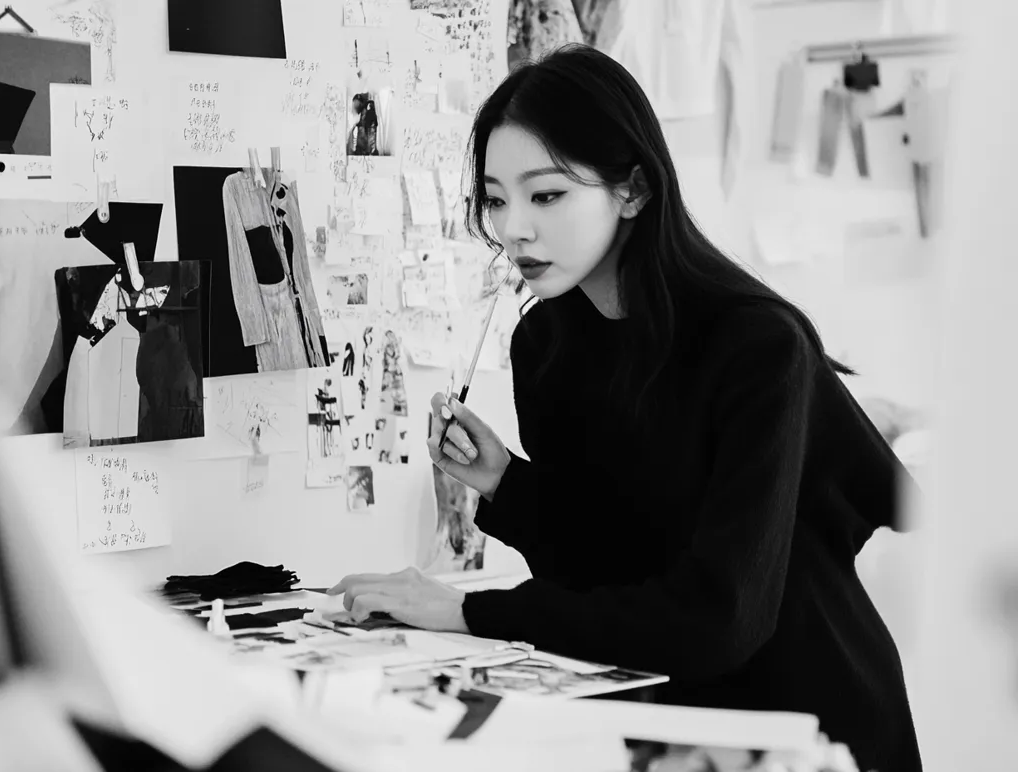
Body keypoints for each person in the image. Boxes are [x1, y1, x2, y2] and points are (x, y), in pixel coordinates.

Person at [327, 44, 922, 772]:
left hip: (803, 724)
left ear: (633, 190)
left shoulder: (759, 346)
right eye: (494, 197)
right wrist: (506, 484)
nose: (513, 227)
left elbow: (718, 617)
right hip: (654, 717)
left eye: (546, 195)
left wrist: (469, 611)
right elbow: (603, 561)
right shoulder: (544, 342)